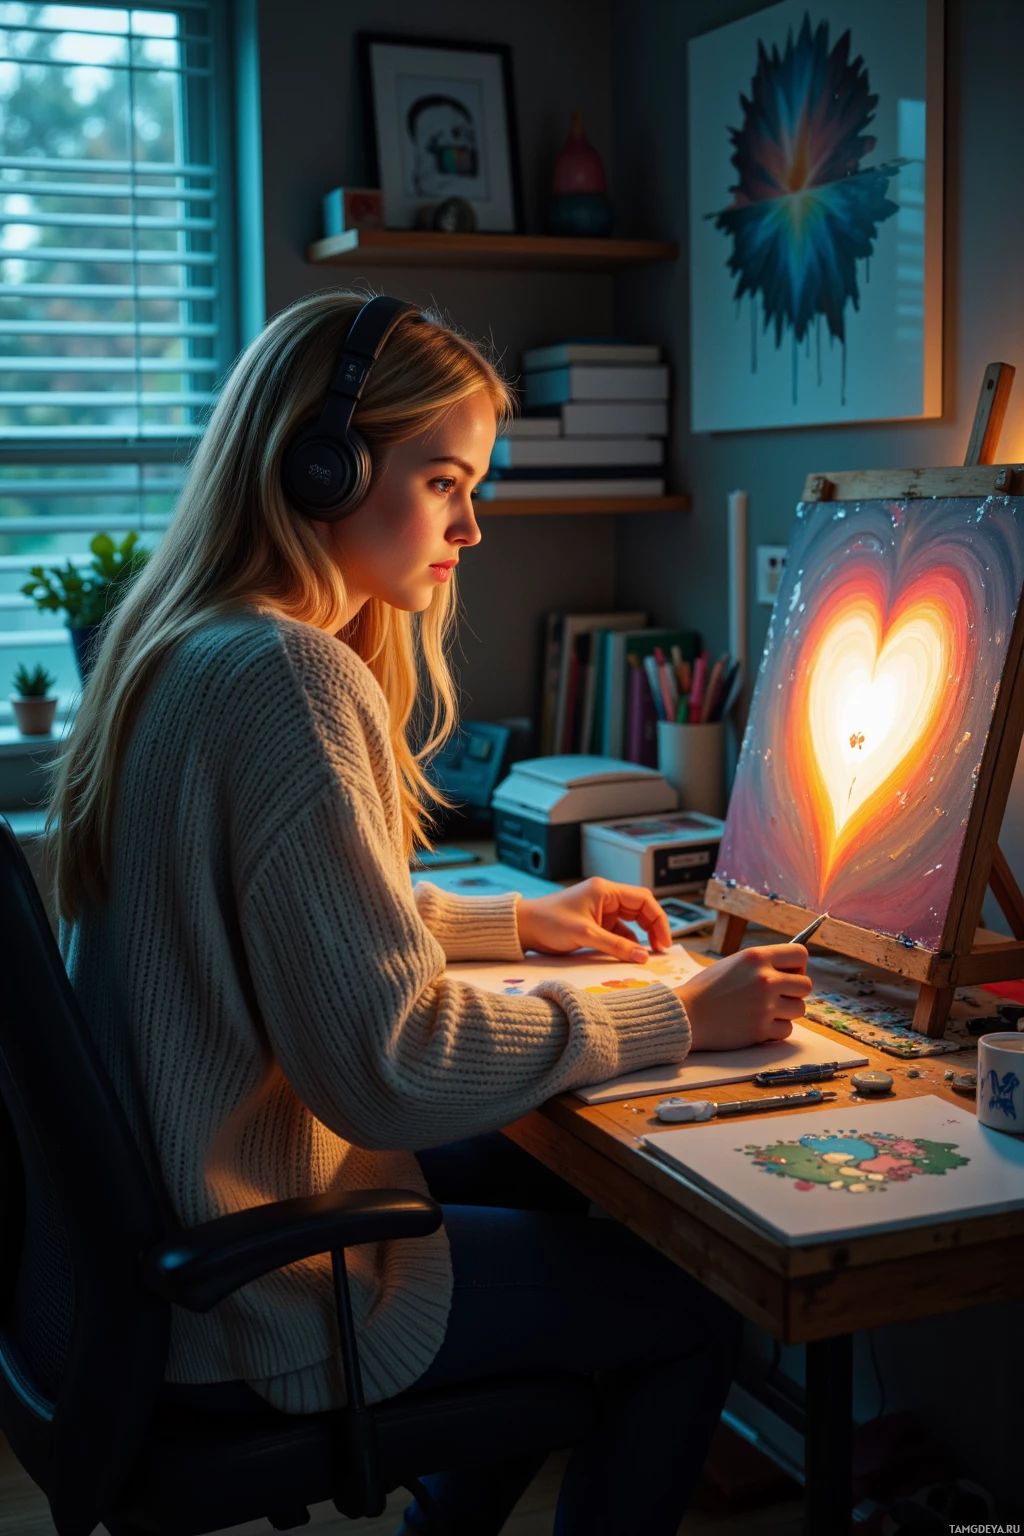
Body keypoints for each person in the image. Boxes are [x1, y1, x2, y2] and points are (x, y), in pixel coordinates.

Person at [49, 291, 813, 1536]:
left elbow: (254, 921)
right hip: (256, 1291)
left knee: (567, 1188)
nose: (470, 523)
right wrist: (676, 1009)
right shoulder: (287, 675)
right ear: (321, 464)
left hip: (170, 1241)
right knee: (684, 1315)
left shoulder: (182, 646)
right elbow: (390, 1069)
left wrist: (518, 926)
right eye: (446, 479)